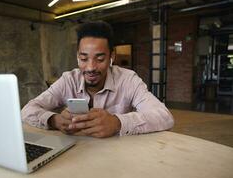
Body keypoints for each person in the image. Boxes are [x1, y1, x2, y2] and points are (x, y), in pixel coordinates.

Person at [21, 21, 174, 138]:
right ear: (77, 56)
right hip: (75, 156)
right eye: (83, 58)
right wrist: (54, 120)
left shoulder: (128, 80)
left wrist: (117, 123)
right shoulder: (68, 80)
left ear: (111, 57)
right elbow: (27, 110)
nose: (90, 67)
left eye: (99, 59)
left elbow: (164, 116)